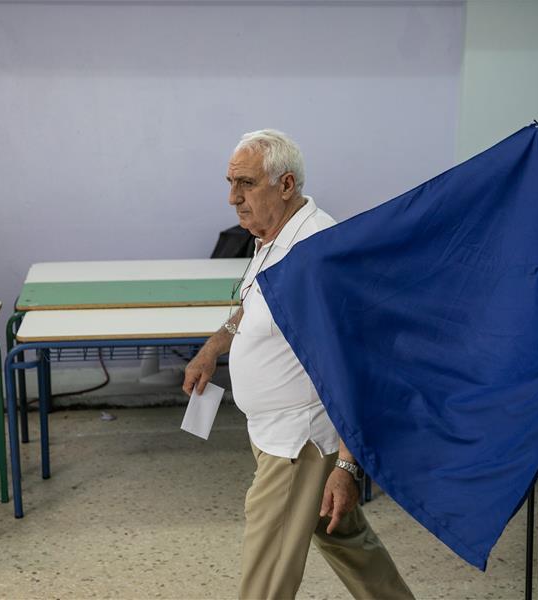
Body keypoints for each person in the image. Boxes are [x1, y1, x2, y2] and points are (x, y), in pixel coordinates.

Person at [183, 129, 414, 600]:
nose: (233, 198)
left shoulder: (319, 253)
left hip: (299, 443)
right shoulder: (271, 235)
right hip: (273, 433)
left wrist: (348, 467)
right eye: (230, 182)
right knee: (346, 539)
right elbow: (256, 304)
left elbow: (357, 361)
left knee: (265, 578)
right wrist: (214, 346)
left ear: (285, 185)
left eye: (245, 183)